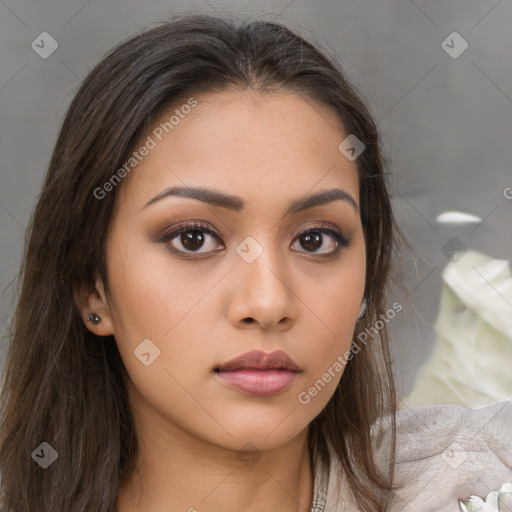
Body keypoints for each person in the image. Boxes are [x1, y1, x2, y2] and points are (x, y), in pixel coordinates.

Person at [0, 12, 510, 512]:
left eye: (315, 240)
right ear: (93, 287)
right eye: (195, 239)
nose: (268, 303)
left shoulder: (477, 479)